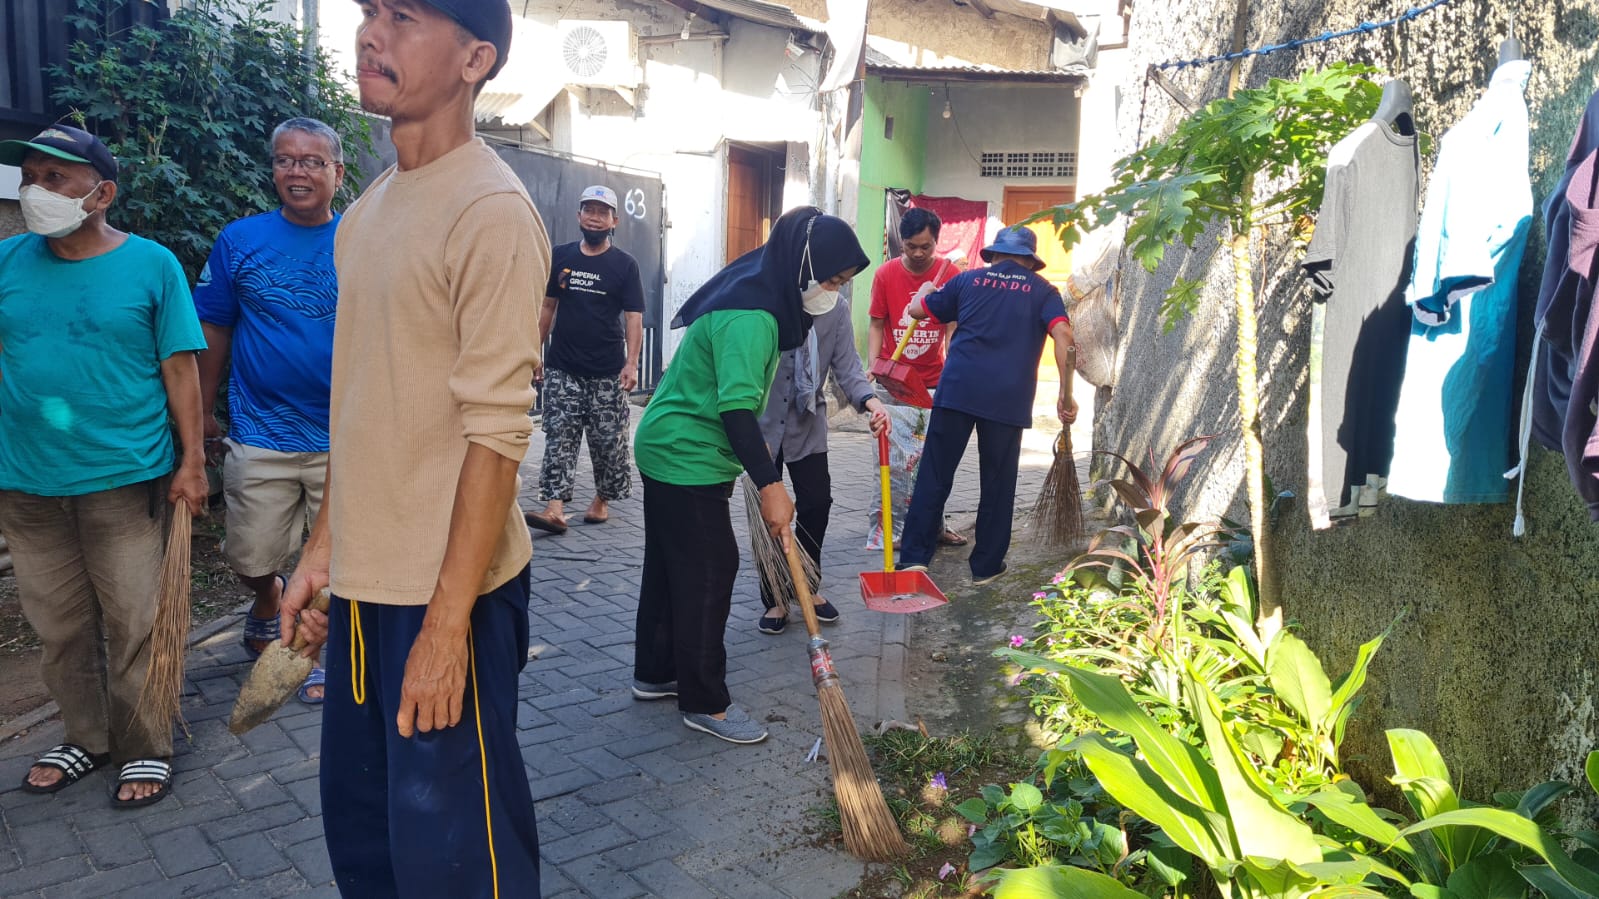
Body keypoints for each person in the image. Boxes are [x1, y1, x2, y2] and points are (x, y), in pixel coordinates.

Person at [276, 0, 548, 894]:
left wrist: (444, 628)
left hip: (449, 596)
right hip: (362, 588)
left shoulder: (491, 211)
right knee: (370, 847)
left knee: (458, 859)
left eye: (401, 16)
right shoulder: (370, 211)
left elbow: (497, 434)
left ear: (475, 59)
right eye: (366, 12)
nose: (369, 33)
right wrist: (323, 551)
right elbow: (365, 404)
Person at [0, 124, 207, 807]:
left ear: (101, 193)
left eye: (55, 178)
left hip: (124, 480)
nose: (36, 190)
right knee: (59, 628)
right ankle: (87, 737)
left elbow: (181, 366)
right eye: (29, 175)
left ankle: (144, 744)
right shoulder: (7, 262)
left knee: (135, 622)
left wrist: (194, 461)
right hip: (26, 483)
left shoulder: (151, 265)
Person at [632, 206, 869, 744]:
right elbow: (738, 410)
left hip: (672, 444)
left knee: (671, 566)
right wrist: (770, 483)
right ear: (803, 264)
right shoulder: (754, 317)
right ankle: (705, 702)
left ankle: (656, 672)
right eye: (830, 279)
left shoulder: (754, 289)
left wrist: (758, 466)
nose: (833, 291)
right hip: (684, 452)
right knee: (711, 568)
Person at [194, 117, 345, 704]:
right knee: (247, 553)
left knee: (339, 562)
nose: (297, 171)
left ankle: (307, 652)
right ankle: (266, 597)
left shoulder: (359, 238)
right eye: (286, 160)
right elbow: (214, 326)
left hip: (345, 436)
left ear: (336, 171)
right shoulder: (241, 240)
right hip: (261, 431)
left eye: (311, 161)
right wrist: (205, 411)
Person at [897, 225, 1077, 584]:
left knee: (934, 475)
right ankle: (986, 567)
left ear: (995, 254)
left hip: (958, 390)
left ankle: (914, 560)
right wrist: (1065, 393)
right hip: (1007, 398)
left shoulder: (967, 281)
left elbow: (918, 310)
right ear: (1029, 261)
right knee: (997, 484)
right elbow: (1065, 336)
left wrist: (928, 291)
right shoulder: (1044, 292)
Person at [754, 297, 889, 634]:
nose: (834, 285)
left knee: (817, 502)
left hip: (807, 422)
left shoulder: (838, 308)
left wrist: (873, 404)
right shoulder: (770, 301)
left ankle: (807, 585)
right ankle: (776, 597)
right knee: (768, 510)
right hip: (763, 423)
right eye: (830, 278)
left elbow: (848, 369)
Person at [524, 184, 644, 534]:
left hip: (607, 370)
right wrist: (536, 352)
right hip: (564, 367)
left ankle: (601, 500)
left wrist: (631, 363)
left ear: (614, 221)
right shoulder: (560, 256)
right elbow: (548, 307)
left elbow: (633, 316)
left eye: (602, 212)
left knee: (609, 441)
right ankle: (555, 508)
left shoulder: (625, 266)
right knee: (559, 435)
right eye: (588, 210)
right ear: (579, 216)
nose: (594, 218)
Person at [866, 207, 966, 547]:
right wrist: (874, 364)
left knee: (932, 460)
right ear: (901, 243)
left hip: (935, 382)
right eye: (911, 246)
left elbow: (953, 325)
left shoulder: (949, 273)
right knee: (896, 461)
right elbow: (878, 322)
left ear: (936, 241)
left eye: (926, 246)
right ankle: (891, 530)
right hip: (895, 382)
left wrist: (954, 359)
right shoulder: (885, 275)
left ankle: (935, 526)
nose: (919, 253)